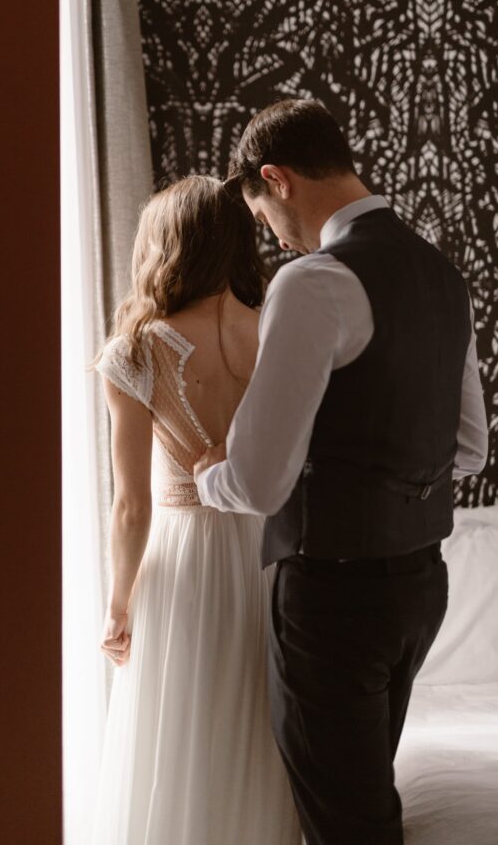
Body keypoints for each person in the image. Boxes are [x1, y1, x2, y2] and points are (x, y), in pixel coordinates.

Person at [194, 98, 489, 845]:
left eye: (262, 216)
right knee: (361, 808)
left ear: (276, 178)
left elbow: (259, 483)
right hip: (421, 588)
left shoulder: (313, 282)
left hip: (332, 596)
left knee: (343, 826)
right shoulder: (441, 274)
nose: (272, 236)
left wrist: (205, 478)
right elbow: (469, 449)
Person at [91, 176, 301, 845]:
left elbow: (130, 506)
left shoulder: (135, 349)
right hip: (271, 549)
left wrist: (118, 604)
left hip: (183, 560)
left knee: (178, 723)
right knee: (257, 715)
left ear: (165, 243)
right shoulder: (277, 326)